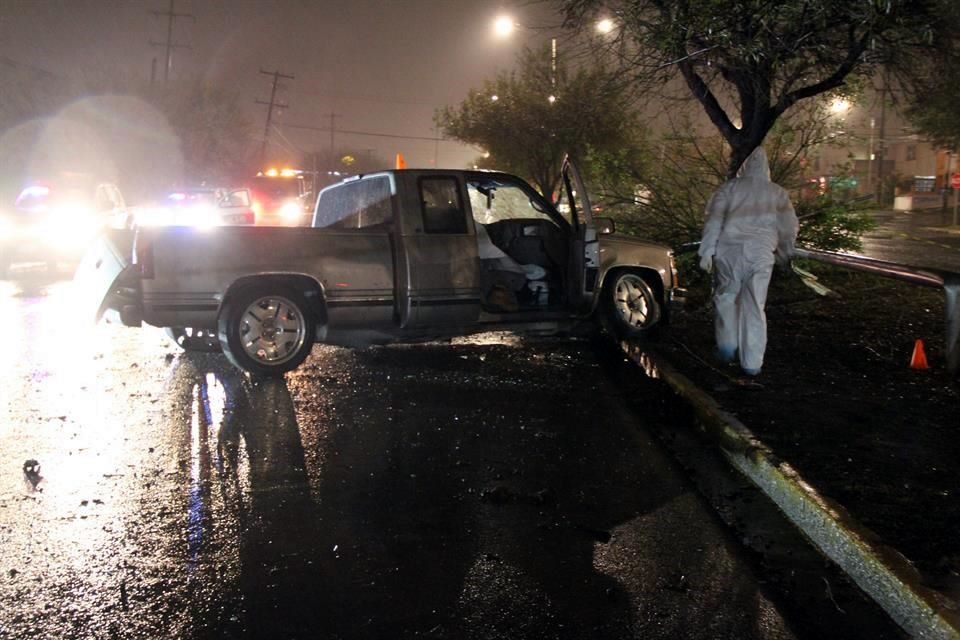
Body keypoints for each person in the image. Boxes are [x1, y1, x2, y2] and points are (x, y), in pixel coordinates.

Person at [698, 147, 799, 377]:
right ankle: (752, 363)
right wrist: (785, 250)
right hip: (761, 254)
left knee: (726, 297)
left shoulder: (729, 188)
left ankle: (727, 344)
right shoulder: (777, 193)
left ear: (744, 167)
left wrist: (707, 251)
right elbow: (789, 226)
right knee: (754, 306)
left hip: (730, 252)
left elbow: (713, 221)